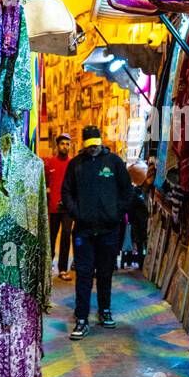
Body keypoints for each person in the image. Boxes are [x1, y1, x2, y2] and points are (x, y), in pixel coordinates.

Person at [60, 125, 134, 339]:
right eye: (89, 146)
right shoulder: (76, 165)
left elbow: (127, 191)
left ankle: (104, 310)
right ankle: (82, 318)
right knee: (83, 274)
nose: (93, 149)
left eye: (96, 145)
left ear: (101, 142)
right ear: (84, 145)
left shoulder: (114, 163)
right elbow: (67, 192)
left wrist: (116, 214)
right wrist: (77, 213)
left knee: (104, 273)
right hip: (83, 230)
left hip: (109, 230)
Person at [43, 132, 73, 281]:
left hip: (68, 208)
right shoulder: (49, 163)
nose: (65, 146)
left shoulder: (72, 164)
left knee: (66, 237)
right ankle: (48, 265)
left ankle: (63, 268)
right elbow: (44, 184)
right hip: (53, 207)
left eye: (68, 144)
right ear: (58, 145)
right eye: (63, 143)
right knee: (52, 237)